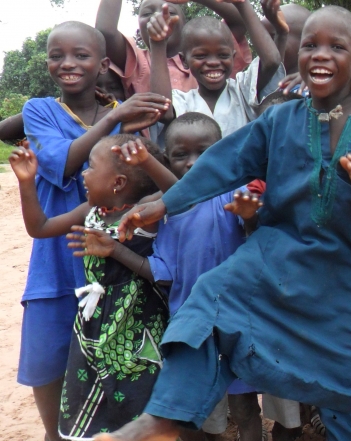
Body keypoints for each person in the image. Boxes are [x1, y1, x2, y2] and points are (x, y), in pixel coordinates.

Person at [92, 6, 351, 441]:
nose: (320, 54)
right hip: (273, 257)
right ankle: (164, 417)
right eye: (310, 45)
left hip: (341, 280)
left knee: (344, 387)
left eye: (336, 47)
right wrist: (165, 204)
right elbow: (223, 163)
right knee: (209, 300)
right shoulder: (278, 120)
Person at [17, 21, 169, 441]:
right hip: (56, 263)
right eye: (56, 56)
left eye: (80, 55)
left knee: (115, 382)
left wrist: (155, 51)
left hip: (114, 273)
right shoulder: (39, 111)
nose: (67, 63)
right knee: (48, 370)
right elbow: (64, 164)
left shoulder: (124, 113)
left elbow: (159, 128)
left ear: (103, 64)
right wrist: (116, 117)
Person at [111, 113, 266, 441]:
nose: (193, 163)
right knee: (188, 409)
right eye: (181, 155)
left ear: (223, 154)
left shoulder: (234, 194)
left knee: (244, 406)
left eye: (204, 153)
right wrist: (114, 250)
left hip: (238, 321)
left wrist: (250, 217)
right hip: (190, 325)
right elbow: (161, 272)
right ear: (168, 160)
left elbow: (258, 238)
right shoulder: (165, 211)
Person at [10, 134, 168, 439]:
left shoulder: (145, 212)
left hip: (139, 323)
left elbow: (180, 192)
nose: (83, 174)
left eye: (91, 167)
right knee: (94, 393)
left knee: (139, 395)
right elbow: (39, 227)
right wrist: (26, 182)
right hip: (95, 325)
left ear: (118, 183)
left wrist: (147, 161)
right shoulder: (89, 212)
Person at [147, 1, 283, 136]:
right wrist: (158, 43)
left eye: (223, 55)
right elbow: (163, 110)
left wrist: (242, 4)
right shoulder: (182, 101)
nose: (213, 63)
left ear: (233, 57)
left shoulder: (243, 91)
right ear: (184, 61)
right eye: (201, 56)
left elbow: (271, 62)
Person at [95, 0, 253, 99]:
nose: (159, 16)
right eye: (147, 13)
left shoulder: (212, 55)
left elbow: (239, 22)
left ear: (185, 24)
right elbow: (105, 32)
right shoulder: (135, 61)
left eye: (170, 12)